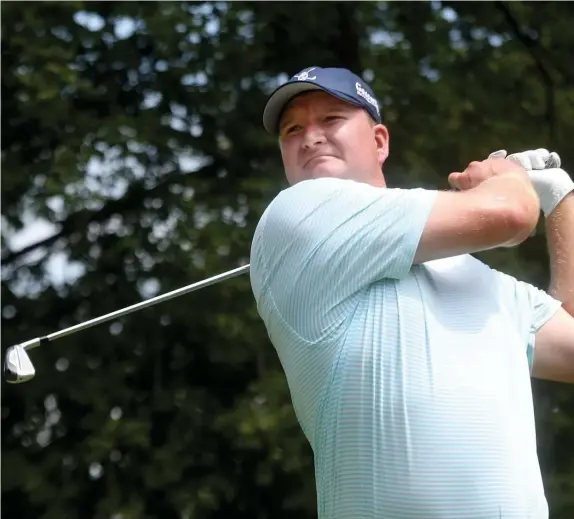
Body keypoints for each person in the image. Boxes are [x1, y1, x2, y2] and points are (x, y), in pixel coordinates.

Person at [249, 66, 574, 519]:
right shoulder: (298, 215)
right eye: (293, 128)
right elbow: (513, 216)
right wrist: (507, 173)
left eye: (331, 119)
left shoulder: (475, 276)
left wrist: (560, 200)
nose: (310, 137)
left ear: (379, 141)